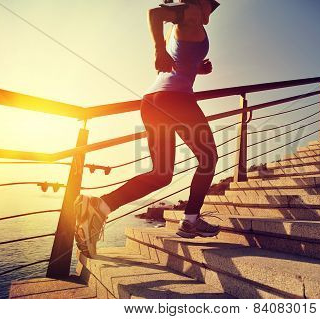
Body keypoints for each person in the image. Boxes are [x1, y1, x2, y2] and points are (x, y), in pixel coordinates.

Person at [74, 0, 221, 258]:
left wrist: (198, 68)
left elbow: (180, 61)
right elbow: (154, 13)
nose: (212, 11)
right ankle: (190, 220)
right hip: (176, 100)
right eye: (212, 4)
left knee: (161, 174)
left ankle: (100, 205)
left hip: (153, 102)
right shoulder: (191, 12)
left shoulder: (191, 23)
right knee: (208, 157)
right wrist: (158, 50)